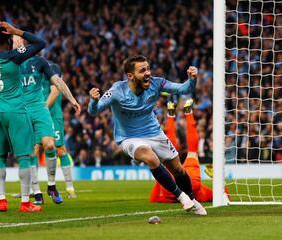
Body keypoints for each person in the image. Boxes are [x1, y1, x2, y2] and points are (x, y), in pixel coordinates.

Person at [87, 55, 207, 215]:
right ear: (130, 76)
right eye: (142, 70)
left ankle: (192, 199)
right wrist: (93, 101)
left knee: (178, 169)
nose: (148, 73)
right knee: (151, 158)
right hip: (129, 138)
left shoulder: (156, 83)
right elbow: (94, 111)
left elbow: (183, 89)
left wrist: (192, 79)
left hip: (154, 133)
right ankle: (181, 196)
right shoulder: (117, 90)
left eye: (148, 68)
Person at [0, 20, 45, 212]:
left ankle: (1, 201)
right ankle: (25, 203)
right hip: (16, 112)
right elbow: (40, 43)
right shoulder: (14, 56)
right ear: (9, 40)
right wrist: (16, 30)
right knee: (24, 157)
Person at [150, 99, 215, 203]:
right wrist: (215, 178)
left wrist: (161, 177)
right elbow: (222, 196)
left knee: (174, 153)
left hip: (171, 188)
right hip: (192, 184)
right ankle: (187, 113)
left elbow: (153, 199)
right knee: (192, 152)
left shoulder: (166, 197)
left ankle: (173, 115)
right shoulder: (202, 192)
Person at [41, 60, 77, 199]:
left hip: (52, 115)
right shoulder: (25, 68)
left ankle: (69, 188)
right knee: (32, 149)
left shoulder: (52, 67)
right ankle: (32, 188)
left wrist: (41, 111)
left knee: (60, 149)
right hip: (36, 114)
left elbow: (55, 93)